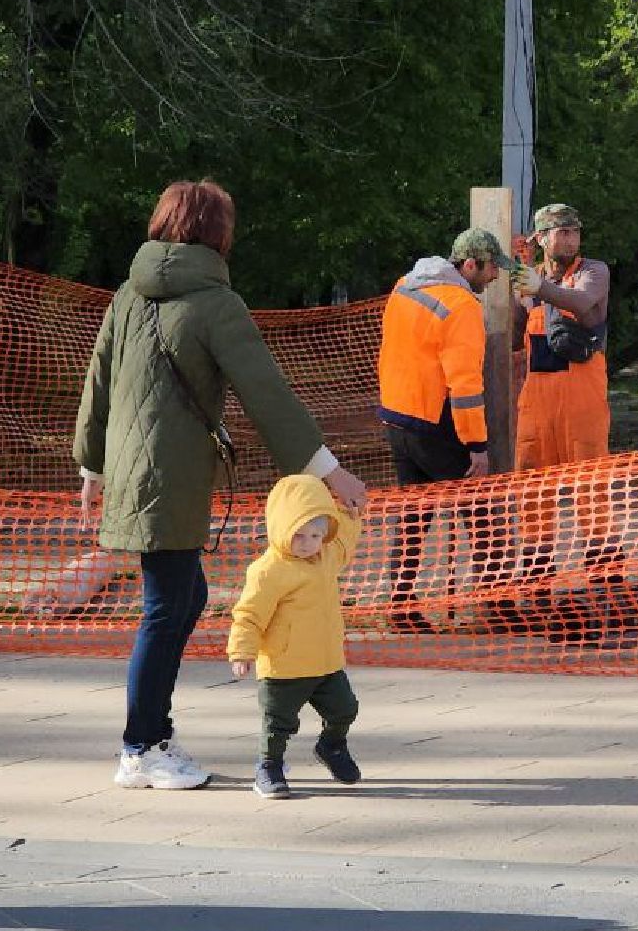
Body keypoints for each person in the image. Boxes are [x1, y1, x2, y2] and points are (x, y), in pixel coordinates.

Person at [74, 177, 369, 792]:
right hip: (171, 477)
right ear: (216, 234)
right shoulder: (215, 303)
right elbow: (267, 393)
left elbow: (96, 384)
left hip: (135, 472)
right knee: (165, 607)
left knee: (183, 596)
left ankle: (151, 736)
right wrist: (327, 470)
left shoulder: (127, 295)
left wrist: (92, 468)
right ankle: (141, 746)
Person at [374, 227, 515, 631]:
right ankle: (494, 607)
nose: (493, 278)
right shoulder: (461, 306)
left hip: (398, 416)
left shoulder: (405, 286)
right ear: (469, 264)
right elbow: (466, 385)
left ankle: (401, 606)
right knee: (482, 514)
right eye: (490, 269)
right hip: (437, 422)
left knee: (414, 516)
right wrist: (477, 446)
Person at [225, 474, 363, 800]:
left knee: (345, 709)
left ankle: (332, 745)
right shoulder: (268, 570)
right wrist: (241, 651)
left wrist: (350, 515)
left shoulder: (327, 555)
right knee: (278, 724)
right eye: (298, 535)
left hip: (326, 662)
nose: (308, 543)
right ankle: (269, 767)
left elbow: (344, 540)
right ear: (280, 528)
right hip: (284, 667)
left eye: (316, 535)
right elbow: (249, 614)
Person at [512, 202, 616, 576]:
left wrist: (538, 287)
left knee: (591, 489)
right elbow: (511, 334)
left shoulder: (593, 271)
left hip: (582, 401)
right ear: (541, 238)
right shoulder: (529, 279)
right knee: (534, 493)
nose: (571, 239)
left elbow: (582, 301)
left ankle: (604, 577)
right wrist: (510, 284)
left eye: (574, 231)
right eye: (562, 232)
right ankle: (538, 579)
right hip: (537, 405)